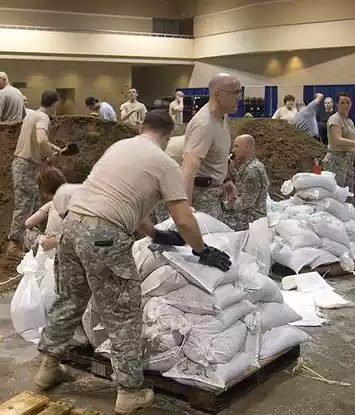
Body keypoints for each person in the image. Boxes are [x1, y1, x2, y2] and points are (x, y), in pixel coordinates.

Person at [34, 110, 231, 415]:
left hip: (72, 226)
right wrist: (201, 249)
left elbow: (115, 199)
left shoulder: (120, 148)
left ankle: (48, 367)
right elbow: (184, 218)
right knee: (123, 312)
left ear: (143, 128)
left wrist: (153, 233)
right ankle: (129, 391)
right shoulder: (165, 163)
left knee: (70, 300)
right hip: (104, 237)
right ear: (167, 136)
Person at [7, 90, 61, 261]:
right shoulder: (44, 118)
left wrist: (52, 148)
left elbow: (39, 140)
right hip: (26, 166)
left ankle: (31, 244)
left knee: (34, 203)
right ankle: (14, 246)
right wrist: (50, 156)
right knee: (24, 206)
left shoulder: (32, 114)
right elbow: (40, 139)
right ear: (54, 104)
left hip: (25, 165)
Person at [182, 73, 241, 220]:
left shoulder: (221, 117)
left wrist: (226, 180)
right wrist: (185, 209)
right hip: (201, 196)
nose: (239, 98)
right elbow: (189, 169)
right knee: (208, 240)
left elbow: (217, 156)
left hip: (213, 191)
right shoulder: (204, 125)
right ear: (217, 94)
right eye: (235, 93)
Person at [323, 92, 355, 190]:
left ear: (351, 104)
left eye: (348, 102)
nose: (345, 105)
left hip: (348, 162)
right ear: (337, 104)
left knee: (348, 194)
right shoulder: (335, 119)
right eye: (342, 102)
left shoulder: (349, 122)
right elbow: (337, 140)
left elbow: (351, 143)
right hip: (336, 161)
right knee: (336, 193)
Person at [222, 135, 269, 230]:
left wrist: (229, 205)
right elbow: (240, 186)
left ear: (246, 148)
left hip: (250, 218)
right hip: (247, 213)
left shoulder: (252, 170)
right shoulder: (248, 166)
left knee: (216, 218)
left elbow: (247, 202)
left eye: (236, 146)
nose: (233, 150)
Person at [24, 166, 67, 252]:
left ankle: (29, 254)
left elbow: (28, 223)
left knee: (27, 232)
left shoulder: (51, 204)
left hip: (48, 245)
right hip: (67, 243)